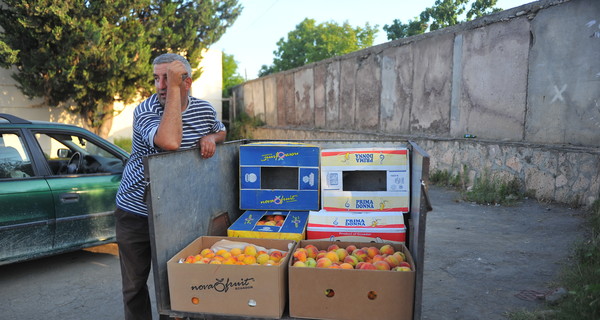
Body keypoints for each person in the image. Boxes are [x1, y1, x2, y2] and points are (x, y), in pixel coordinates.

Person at [115, 53, 226, 320]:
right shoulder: (145, 110)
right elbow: (169, 141)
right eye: (156, 79)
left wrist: (211, 137)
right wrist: (174, 91)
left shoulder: (204, 109)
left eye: (169, 79)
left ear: (188, 82)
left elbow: (221, 130)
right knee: (133, 286)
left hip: (177, 212)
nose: (161, 86)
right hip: (136, 211)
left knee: (174, 282)